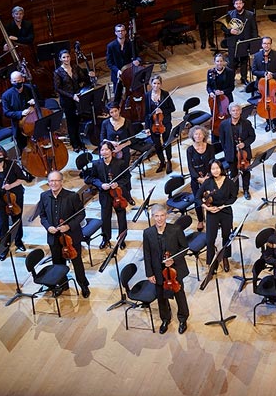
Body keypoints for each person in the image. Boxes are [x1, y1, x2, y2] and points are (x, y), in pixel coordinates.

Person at [38, 170, 89, 296]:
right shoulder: (44, 196)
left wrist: (68, 226)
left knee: (77, 263)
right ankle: (62, 285)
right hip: (54, 237)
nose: (54, 183)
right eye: (51, 181)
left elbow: (81, 214)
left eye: (56, 180)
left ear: (61, 182)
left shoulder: (71, 196)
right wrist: (48, 227)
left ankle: (83, 285)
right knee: (58, 263)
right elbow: (42, 216)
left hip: (71, 237)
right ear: (48, 182)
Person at [142, 203, 191, 334]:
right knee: (161, 297)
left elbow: (185, 248)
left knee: (179, 295)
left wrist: (173, 259)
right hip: (158, 271)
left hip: (175, 270)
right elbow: (147, 254)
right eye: (156, 216)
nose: (159, 219)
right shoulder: (147, 233)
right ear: (152, 217)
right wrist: (149, 273)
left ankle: (183, 318)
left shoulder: (175, 229)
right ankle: (165, 319)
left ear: (166, 215)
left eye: (162, 215)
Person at [85, 141, 131, 249]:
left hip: (118, 194)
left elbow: (126, 177)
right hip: (105, 195)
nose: (104, 152)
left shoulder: (120, 163)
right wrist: (101, 184)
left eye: (106, 150)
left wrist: (118, 184)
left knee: (121, 217)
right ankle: (106, 239)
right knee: (105, 218)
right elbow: (90, 178)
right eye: (102, 150)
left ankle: (122, 239)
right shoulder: (96, 164)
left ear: (111, 151)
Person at [0, 146, 27, 253]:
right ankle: (4, 246)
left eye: (0, 155)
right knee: (3, 224)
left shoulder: (12, 165)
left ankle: (18, 241)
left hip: (14, 197)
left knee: (17, 220)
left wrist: (10, 186)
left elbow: (22, 179)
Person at [199, 159, 237, 273]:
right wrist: (206, 207)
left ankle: (225, 258)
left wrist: (223, 206)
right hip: (212, 212)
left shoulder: (229, 182)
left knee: (226, 236)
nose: (215, 171)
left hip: (225, 210)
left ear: (221, 169)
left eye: (217, 168)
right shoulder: (207, 182)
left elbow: (233, 197)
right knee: (210, 238)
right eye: (212, 169)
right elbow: (197, 197)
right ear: (210, 170)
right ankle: (210, 262)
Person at [52, 49, 94, 152]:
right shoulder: (58, 72)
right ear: (60, 59)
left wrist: (90, 75)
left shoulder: (75, 67)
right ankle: (75, 144)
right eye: (64, 57)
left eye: (68, 57)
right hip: (67, 100)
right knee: (71, 122)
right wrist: (72, 96)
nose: (66, 59)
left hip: (77, 98)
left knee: (79, 120)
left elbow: (83, 79)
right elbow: (58, 89)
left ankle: (81, 142)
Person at [219, 102, 257, 199]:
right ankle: (234, 192)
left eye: (237, 110)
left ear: (240, 111)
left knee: (245, 173)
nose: (235, 112)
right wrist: (227, 151)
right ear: (230, 112)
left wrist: (244, 144)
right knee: (233, 173)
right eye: (233, 111)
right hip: (231, 154)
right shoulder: (224, 124)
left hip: (244, 154)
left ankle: (245, 190)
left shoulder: (246, 123)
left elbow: (252, 137)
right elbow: (222, 140)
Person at [143, 75, 177, 174]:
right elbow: (146, 113)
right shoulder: (147, 95)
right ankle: (162, 161)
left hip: (164, 122)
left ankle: (169, 161)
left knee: (167, 142)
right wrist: (146, 127)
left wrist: (162, 110)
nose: (156, 86)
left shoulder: (165, 94)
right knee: (157, 144)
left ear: (161, 84)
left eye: (158, 83)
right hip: (153, 124)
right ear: (151, 84)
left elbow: (172, 108)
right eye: (154, 83)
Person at [251, 36, 276, 129]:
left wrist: (272, 75)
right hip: (262, 85)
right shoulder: (257, 56)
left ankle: (274, 121)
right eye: (264, 43)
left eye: (268, 43)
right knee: (265, 104)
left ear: (271, 44)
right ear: (262, 44)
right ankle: (267, 121)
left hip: (274, 85)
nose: (266, 45)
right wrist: (264, 74)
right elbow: (253, 71)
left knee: (274, 104)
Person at [222, 0, 258, 85]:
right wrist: (230, 30)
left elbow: (254, 29)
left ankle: (244, 78)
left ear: (243, 4)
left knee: (244, 61)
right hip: (233, 42)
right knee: (232, 62)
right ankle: (231, 80)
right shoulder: (230, 14)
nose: (238, 5)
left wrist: (253, 42)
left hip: (244, 41)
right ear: (234, 5)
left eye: (240, 3)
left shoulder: (250, 15)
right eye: (236, 4)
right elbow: (223, 27)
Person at [185, 125, 215, 232]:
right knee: (198, 200)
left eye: (200, 134)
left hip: (209, 177)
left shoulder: (210, 147)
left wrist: (208, 176)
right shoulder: (189, 150)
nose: (198, 136)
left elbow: (213, 162)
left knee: (211, 199)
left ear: (204, 135)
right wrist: (198, 178)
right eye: (196, 134)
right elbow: (190, 167)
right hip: (196, 179)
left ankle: (212, 219)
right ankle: (200, 220)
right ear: (193, 136)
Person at [0, 70, 39, 151]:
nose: (17, 83)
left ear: (23, 80)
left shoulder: (31, 88)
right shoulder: (6, 95)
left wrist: (35, 102)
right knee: (24, 149)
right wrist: (21, 113)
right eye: (14, 81)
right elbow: (6, 113)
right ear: (11, 81)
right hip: (19, 126)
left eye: (19, 81)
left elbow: (43, 101)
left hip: (35, 122)